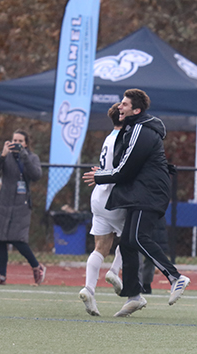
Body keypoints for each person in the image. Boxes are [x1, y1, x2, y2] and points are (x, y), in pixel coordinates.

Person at [83, 89, 190, 317]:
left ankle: (176, 277)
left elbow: (125, 169)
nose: (119, 107)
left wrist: (100, 176)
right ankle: (134, 296)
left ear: (137, 110)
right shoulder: (131, 130)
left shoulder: (140, 130)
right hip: (137, 192)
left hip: (150, 193)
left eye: (124, 104)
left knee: (139, 238)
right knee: (129, 242)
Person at [79, 104, 127, 316]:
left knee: (100, 247)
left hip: (98, 195)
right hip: (114, 196)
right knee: (132, 238)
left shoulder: (109, 137)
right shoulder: (124, 139)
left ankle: (89, 288)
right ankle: (115, 272)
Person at [0, 129, 46, 286]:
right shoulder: (6, 156)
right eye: (14, 140)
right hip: (4, 202)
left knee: (18, 239)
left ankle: (37, 267)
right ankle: (1, 275)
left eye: (20, 141)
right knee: (0, 239)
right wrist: (2, 155)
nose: (16, 144)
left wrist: (24, 157)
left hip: (21, 204)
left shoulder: (32, 157)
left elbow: (36, 175)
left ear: (25, 143)